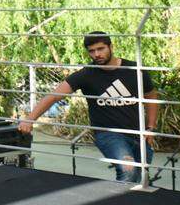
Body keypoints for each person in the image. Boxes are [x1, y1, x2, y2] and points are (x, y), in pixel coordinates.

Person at [20, 32, 159, 183]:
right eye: (92, 51)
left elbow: (151, 96)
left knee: (141, 177)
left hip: (138, 133)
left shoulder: (134, 70)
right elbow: (53, 96)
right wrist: (30, 119)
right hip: (108, 135)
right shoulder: (86, 75)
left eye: (101, 49)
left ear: (111, 46)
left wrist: (150, 127)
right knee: (128, 170)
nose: (97, 54)